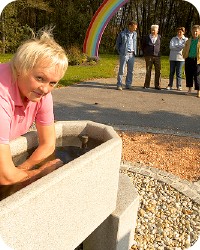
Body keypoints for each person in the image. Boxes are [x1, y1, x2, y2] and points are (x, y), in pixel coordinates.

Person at [0, 29, 68, 185]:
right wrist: (41, 172)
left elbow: (48, 143)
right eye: (39, 78)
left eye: (53, 83)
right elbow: (4, 176)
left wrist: (24, 168)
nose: (45, 89)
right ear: (20, 68)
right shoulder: (2, 97)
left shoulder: (41, 94)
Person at [116, 20, 138, 90]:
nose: (135, 29)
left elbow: (135, 43)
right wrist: (121, 52)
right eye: (134, 27)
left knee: (130, 70)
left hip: (132, 54)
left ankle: (128, 84)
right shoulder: (122, 34)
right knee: (121, 70)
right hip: (124, 54)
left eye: (136, 28)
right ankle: (119, 84)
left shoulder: (135, 34)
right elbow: (118, 44)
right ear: (130, 26)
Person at [182, 24, 200, 98]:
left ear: (199, 32)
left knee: (197, 76)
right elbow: (185, 49)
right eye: (193, 31)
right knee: (189, 74)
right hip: (189, 59)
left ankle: (198, 91)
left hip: (197, 60)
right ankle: (189, 89)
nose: (194, 33)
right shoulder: (189, 40)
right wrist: (184, 55)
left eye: (196, 31)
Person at [142, 24, 161, 90]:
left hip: (157, 56)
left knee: (158, 71)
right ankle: (146, 85)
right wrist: (145, 53)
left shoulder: (159, 37)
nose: (153, 31)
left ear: (157, 31)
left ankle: (157, 85)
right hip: (148, 56)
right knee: (148, 70)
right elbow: (143, 46)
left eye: (154, 30)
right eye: (152, 30)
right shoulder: (147, 37)